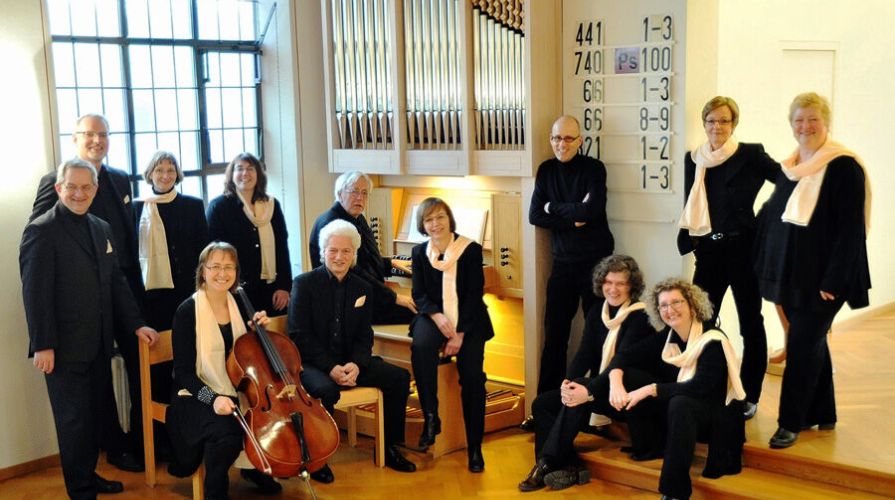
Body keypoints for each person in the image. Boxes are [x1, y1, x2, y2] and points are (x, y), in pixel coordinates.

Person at [20, 158, 158, 499]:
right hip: (62, 348)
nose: (79, 193)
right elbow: (35, 293)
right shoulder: (41, 230)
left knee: (93, 419)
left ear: (95, 190)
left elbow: (115, 283)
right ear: (59, 188)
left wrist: (136, 324)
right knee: (73, 422)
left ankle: (88, 475)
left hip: (98, 342)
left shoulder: (101, 227)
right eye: (72, 187)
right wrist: (42, 344)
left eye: (86, 187)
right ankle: (80, 490)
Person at [754, 92, 871, 449]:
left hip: (825, 281)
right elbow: (773, 216)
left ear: (826, 123)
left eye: (812, 119)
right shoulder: (791, 167)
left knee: (802, 345)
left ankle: (790, 422)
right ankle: (823, 412)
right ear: (791, 125)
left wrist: (834, 280)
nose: (805, 126)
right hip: (792, 277)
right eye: (799, 120)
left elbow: (850, 230)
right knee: (811, 342)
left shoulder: (843, 167)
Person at [289, 219, 417, 482]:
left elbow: (364, 335)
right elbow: (299, 336)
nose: (339, 257)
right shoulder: (303, 284)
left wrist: (357, 364)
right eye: (333, 250)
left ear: (354, 254)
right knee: (325, 389)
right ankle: (318, 457)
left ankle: (389, 447)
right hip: (314, 363)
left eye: (346, 251)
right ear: (323, 252)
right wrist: (330, 368)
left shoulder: (363, 287)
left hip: (350, 362)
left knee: (399, 378)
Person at [677, 96, 779, 420]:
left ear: (734, 124)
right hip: (709, 253)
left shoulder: (750, 155)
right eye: (711, 120)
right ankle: (707, 388)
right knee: (700, 323)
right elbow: (689, 202)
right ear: (704, 123)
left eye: (724, 120)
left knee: (751, 323)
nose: (717, 126)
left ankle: (750, 395)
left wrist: (764, 220)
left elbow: (786, 182)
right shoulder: (694, 160)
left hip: (743, 251)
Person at [518, 255, 655, 492]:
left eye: (620, 283)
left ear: (631, 286)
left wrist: (586, 390)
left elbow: (619, 364)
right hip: (601, 390)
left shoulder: (640, 318)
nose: (613, 289)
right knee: (542, 404)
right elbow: (584, 354)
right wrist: (567, 383)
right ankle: (570, 465)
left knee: (580, 388)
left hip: (626, 396)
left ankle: (546, 463)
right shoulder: (596, 311)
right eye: (608, 282)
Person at [166, 242, 282, 497]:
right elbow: (183, 374)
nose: (222, 273)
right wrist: (213, 399)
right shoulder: (187, 311)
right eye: (215, 266)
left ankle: (254, 468)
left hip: (237, 386)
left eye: (229, 267)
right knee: (227, 432)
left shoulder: (240, 302)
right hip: (196, 393)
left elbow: (249, 355)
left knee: (268, 420)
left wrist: (259, 331)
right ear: (203, 271)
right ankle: (215, 490)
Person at [624, 278, 746, 500]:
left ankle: (675, 492)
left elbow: (700, 387)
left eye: (676, 302)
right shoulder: (669, 336)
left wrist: (651, 389)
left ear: (692, 305)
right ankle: (650, 446)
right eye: (663, 305)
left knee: (680, 403)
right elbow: (627, 355)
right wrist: (601, 384)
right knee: (631, 375)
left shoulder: (713, 340)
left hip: (715, 413)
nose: (669, 310)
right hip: (683, 413)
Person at [527, 115, 614, 422]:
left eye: (567, 138)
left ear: (580, 141)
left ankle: (597, 410)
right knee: (554, 336)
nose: (561, 144)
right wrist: (569, 217)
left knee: (598, 335)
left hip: (595, 265)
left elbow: (591, 211)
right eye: (556, 138)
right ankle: (546, 410)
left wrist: (553, 207)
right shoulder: (546, 170)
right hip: (562, 264)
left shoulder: (594, 168)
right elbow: (535, 215)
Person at [409, 198, 494, 473]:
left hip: (469, 321)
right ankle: (431, 417)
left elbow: (473, 295)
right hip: (435, 317)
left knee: (472, 379)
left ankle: (475, 448)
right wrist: (436, 316)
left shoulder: (470, 250)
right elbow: (419, 294)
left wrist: (458, 335)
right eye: (429, 220)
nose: (435, 224)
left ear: (449, 219)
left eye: (440, 217)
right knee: (421, 346)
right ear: (423, 225)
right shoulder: (419, 253)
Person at [309, 170, 416, 325]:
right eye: (354, 191)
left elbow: (365, 259)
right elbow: (353, 272)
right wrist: (394, 297)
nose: (360, 198)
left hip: (366, 293)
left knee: (422, 304)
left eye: (365, 193)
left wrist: (391, 263)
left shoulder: (356, 217)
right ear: (339, 194)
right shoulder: (334, 225)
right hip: (348, 303)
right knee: (418, 310)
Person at [207, 152, 292, 315]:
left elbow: (282, 247)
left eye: (250, 168)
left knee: (272, 330)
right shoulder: (218, 207)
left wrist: (284, 286)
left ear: (258, 174)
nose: (245, 173)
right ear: (231, 174)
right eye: (239, 168)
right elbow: (213, 252)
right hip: (235, 289)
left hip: (271, 289)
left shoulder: (272, 205)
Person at [135, 151, 208, 331]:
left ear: (177, 174)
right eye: (159, 170)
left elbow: (204, 249)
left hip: (189, 289)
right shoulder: (137, 207)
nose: (165, 175)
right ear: (150, 174)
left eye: (171, 170)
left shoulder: (194, 205)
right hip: (152, 293)